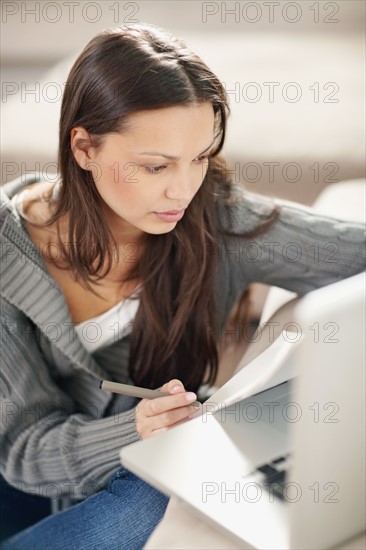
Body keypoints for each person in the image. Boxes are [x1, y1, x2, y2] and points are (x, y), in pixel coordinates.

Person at [0, 22, 365, 550]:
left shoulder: (214, 218)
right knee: (159, 490)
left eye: (198, 158)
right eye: (155, 166)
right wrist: (136, 430)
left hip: (134, 472)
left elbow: (351, 251)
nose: (183, 188)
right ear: (83, 148)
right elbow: (25, 452)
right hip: (23, 490)